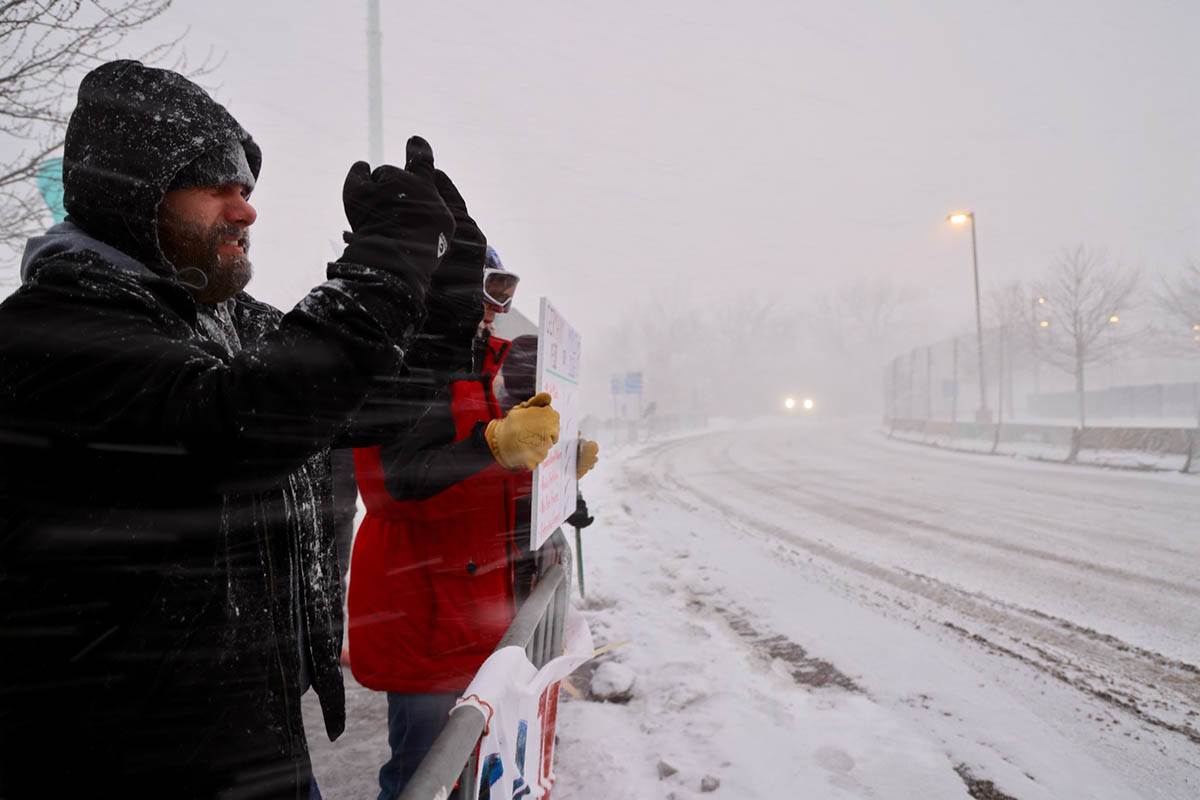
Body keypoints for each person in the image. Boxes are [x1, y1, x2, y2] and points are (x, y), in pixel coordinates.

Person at [0, 60, 457, 799]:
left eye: (245, 189)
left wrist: (445, 292)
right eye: (215, 185)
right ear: (132, 196)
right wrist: (382, 272)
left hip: (255, 746)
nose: (244, 211)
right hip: (119, 768)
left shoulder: (214, 325)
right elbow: (244, 425)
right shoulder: (52, 335)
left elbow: (378, 401)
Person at [348, 223, 561, 797]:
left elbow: (491, 483)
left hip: (485, 610)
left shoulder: (495, 363)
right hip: (426, 616)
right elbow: (388, 487)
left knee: (483, 771)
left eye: (504, 291)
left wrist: (553, 473)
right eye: (485, 292)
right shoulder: (399, 364)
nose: (495, 310)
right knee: (427, 775)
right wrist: (491, 446)